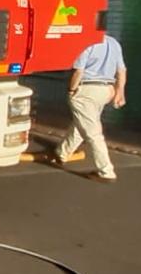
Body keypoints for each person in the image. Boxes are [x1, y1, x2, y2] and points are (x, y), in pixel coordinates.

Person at [54, 32, 127, 182]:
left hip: (87, 89)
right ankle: (62, 152)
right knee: (84, 121)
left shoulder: (86, 43)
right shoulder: (113, 43)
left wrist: (72, 90)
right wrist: (120, 92)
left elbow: (79, 70)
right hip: (106, 89)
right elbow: (121, 71)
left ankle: (106, 171)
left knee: (93, 133)